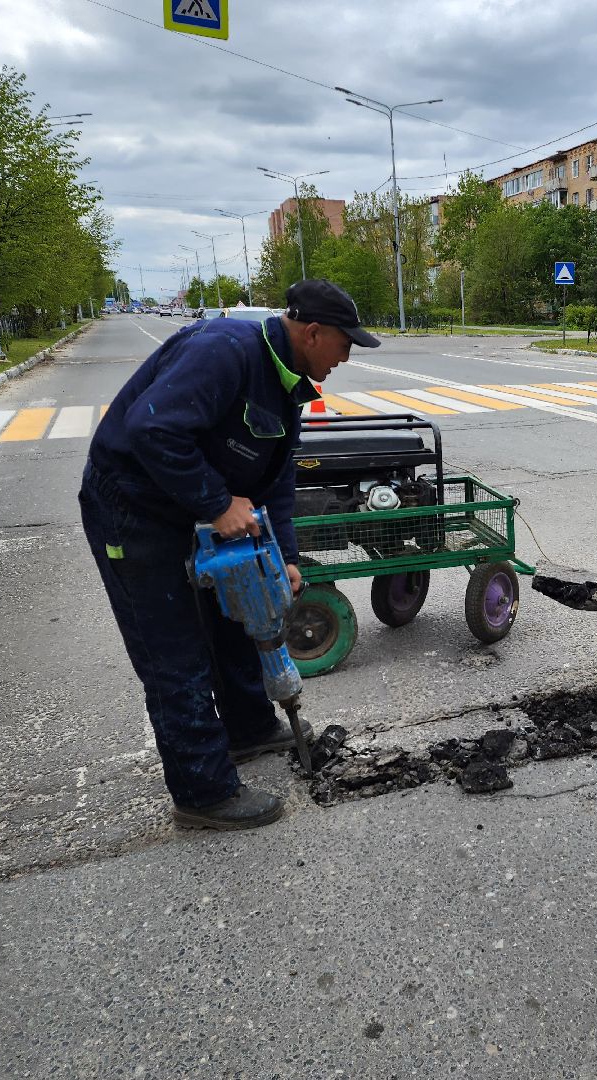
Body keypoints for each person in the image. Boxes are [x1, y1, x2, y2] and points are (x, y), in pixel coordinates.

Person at [79, 279, 381, 829]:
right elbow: (153, 429)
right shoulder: (225, 352)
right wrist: (217, 503)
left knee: (236, 618)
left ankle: (249, 728)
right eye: (345, 343)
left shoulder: (289, 385)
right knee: (175, 650)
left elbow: (276, 485)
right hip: (133, 510)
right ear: (312, 333)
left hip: (188, 512)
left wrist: (286, 558)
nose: (346, 356)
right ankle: (202, 792)